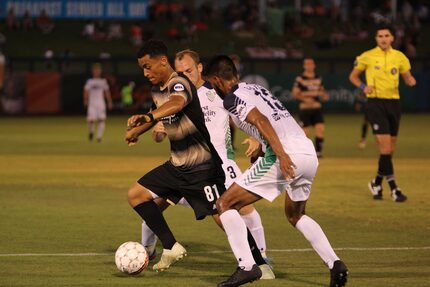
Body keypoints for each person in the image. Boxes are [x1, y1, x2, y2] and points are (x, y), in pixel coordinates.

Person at [125, 40, 268, 273]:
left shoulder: (180, 84)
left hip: (202, 167)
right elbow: (158, 114)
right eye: (142, 68)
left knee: (224, 214)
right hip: (177, 165)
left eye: (148, 66)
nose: (145, 72)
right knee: (137, 195)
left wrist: (149, 120)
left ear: (163, 61)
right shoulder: (158, 90)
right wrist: (137, 131)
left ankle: (258, 263)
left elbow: (176, 103)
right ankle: (168, 247)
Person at [205, 55, 348, 287]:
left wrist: (280, 155)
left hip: (286, 155)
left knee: (224, 205)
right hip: (307, 152)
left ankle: (247, 267)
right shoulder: (256, 89)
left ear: (216, 80)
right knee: (296, 215)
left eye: (211, 84)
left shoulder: (232, 98)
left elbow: (261, 120)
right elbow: (274, 120)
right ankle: (335, 264)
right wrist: (262, 149)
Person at [349, 24, 416, 202]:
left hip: (394, 104)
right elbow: (353, 76)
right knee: (385, 148)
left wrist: (410, 80)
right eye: (380, 36)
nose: (384, 38)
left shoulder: (400, 57)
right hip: (376, 104)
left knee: (389, 151)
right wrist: (364, 86)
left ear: (392, 38)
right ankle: (395, 189)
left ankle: (376, 183)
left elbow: (407, 75)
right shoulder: (367, 56)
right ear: (376, 39)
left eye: (387, 35)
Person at [292, 58, 329, 158]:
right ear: (304, 66)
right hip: (305, 109)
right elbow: (295, 93)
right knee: (305, 132)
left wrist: (325, 95)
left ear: (314, 65)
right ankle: (305, 153)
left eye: (311, 64)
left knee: (320, 129)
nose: (309, 66)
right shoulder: (300, 78)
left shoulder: (318, 78)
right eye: (307, 64)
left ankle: (318, 152)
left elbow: (322, 91)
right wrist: (305, 99)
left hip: (317, 108)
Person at [83, 63, 113, 142]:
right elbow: (86, 91)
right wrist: (85, 100)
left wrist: (109, 102)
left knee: (102, 119)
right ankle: (91, 132)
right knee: (91, 120)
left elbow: (107, 92)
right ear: (93, 71)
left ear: (100, 71)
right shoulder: (90, 81)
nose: (96, 72)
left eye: (98, 70)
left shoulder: (103, 81)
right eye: (95, 70)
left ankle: (99, 137)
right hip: (92, 103)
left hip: (100, 103)